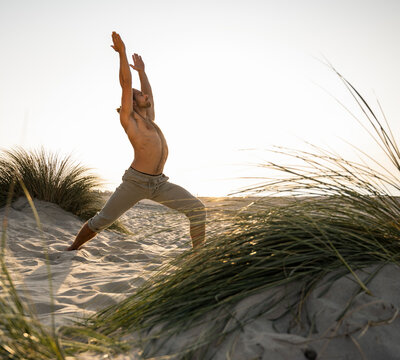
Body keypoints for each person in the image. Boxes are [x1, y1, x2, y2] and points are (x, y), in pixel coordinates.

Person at [66, 31, 206, 251]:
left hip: (159, 183)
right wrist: (121, 53)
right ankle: (72, 249)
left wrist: (143, 72)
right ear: (132, 101)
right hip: (135, 183)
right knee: (101, 220)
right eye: (140, 94)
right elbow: (125, 83)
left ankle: (199, 255)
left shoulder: (148, 119)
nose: (146, 96)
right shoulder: (130, 120)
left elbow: (150, 94)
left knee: (197, 209)